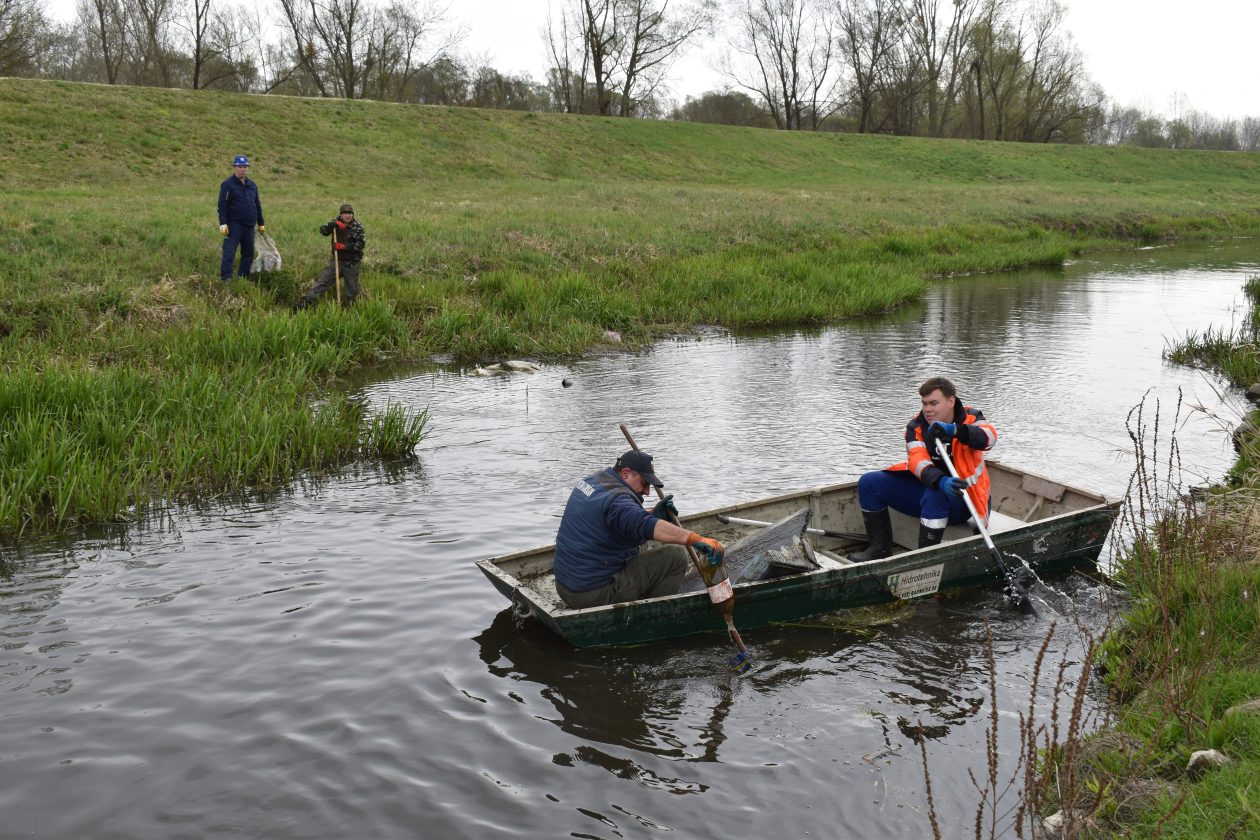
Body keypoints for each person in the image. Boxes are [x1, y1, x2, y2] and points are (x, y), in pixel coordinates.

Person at [552, 449, 726, 609]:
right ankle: (655, 613)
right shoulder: (618, 503)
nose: (647, 491)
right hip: (592, 594)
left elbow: (618, 520)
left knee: (643, 544)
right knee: (676, 556)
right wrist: (698, 540)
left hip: (567, 584)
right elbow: (638, 521)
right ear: (626, 473)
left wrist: (653, 515)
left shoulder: (594, 481)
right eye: (644, 483)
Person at [850, 376, 998, 561]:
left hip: (966, 499)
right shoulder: (916, 426)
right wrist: (940, 480)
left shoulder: (972, 417)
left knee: (934, 496)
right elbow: (917, 460)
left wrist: (956, 431)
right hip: (935, 487)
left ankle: (925, 561)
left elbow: (990, 438)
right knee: (869, 483)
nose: (928, 409)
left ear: (951, 401)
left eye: (934, 403)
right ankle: (879, 548)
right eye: (925, 403)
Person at [296, 204, 366, 308]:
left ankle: (352, 312)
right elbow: (323, 231)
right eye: (345, 214)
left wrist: (344, 247)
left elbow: (360, 245)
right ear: (341, 215)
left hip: (352, 263)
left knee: (352, 291)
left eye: (350, 214)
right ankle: (304, 304)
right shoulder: (335, 222)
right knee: (322, 282)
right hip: (337, 261)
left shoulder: (358, 227)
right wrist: (331, 225)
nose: (348, 216)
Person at [217, 154, 265, 282]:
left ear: (247, 168)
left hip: (249, 226)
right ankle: (226, 278)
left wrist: (261, 223)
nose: (242, 169)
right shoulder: (228, 184)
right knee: (229, 252)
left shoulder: (252, 185)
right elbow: (222, 205)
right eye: (239, 167)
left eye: (244, 167)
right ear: (234, 168)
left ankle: (243, 277)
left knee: (248, 254)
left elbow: (257, 204)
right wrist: (223, 223)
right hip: (234, 225)